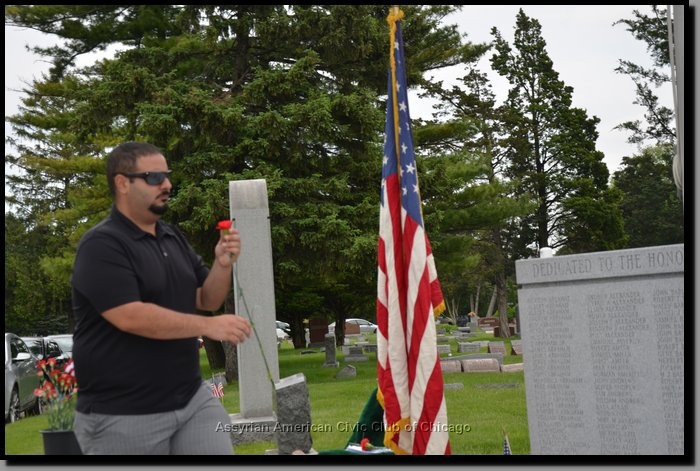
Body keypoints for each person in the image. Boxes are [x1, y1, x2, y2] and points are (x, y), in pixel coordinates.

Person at [71, 142, 251, 454]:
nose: (166, 184)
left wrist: (222, 264)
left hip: (191, 400)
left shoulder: (171, 236)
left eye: (167, 175)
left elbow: (206, 299)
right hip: (123, 412)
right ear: (122, 183)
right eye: (154, 177)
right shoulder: (101, 245)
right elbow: (130, 316)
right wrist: (207, 326)